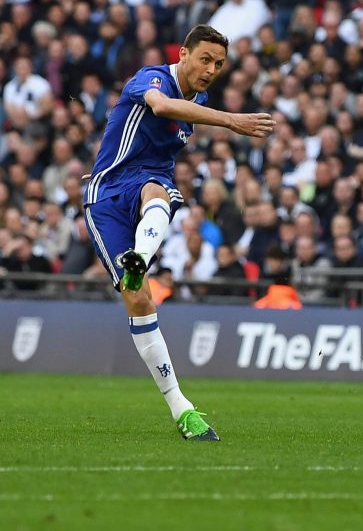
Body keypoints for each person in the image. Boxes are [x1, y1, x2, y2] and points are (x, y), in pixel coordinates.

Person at [82, 24, 275, 441]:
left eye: (219, 64)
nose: (211, 69)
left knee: (162, 191)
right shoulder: (152, 77)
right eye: (205, 59)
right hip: (106, 199)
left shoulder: (199, 100)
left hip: (145, 184)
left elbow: (129, 129)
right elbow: (160, 106)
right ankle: (139, 265)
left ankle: (183, 411)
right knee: (139, 298)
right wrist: (231, 121)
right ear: (183, 53)